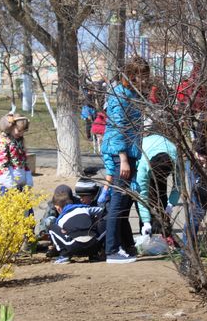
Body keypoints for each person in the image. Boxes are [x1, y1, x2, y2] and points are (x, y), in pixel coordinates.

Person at [101, 56, 149, 264]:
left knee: (126, 201)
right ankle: (112, 249)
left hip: (130, 153)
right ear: (131, 75)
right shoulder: (120, 95)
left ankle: (125, 244)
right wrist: (123, 159)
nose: (145, 80)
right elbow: (119, 126)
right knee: (118, 201)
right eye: (142, 76)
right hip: (119, 154)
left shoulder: (133, 94)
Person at [136, 120, 180, 239]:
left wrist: (171, 204)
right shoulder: (143, 165)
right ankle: (145, 230)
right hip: (145, 151)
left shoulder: (175, 158)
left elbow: (179, 185)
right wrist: (146, 222)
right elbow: (142, 195)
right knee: (147, 199)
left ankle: (165, 231)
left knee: (161, 197)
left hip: (163, 155)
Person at [47, 186, 106, 264]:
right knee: (104, 220)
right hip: (94, 246)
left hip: (75, 248)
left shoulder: (61, 220)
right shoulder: (84, 208)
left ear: (58, 208)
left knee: (52, 227)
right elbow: (101, 210)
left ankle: (64, 255)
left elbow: (63, 232)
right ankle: (97, 254)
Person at [0, 113, 33, 192]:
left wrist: (29, 181)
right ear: (11, 126)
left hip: (20, 186)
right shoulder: (2, 142)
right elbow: (2, 166)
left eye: (23, 132)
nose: (21, 134)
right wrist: (11, 187)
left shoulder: (19, 142)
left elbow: (24, 164)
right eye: (19, 131)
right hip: (7, 186)